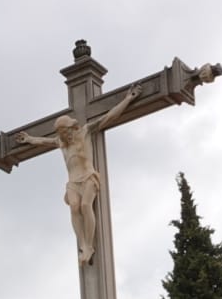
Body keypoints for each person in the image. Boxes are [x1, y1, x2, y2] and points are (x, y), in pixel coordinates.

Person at [15, 85, 143, 266]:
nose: (63, 135)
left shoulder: (85, 132)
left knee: (84, 205)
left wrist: (128, 99)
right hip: (73, 182)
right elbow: (44, 141)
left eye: (65, 131)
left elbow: (110, 116)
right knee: (74, 206)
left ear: (71, 128)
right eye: (60, 133)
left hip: (88, 177)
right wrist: (29, 139)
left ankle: (89, 245)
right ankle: (83, 244)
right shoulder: (61, 143)